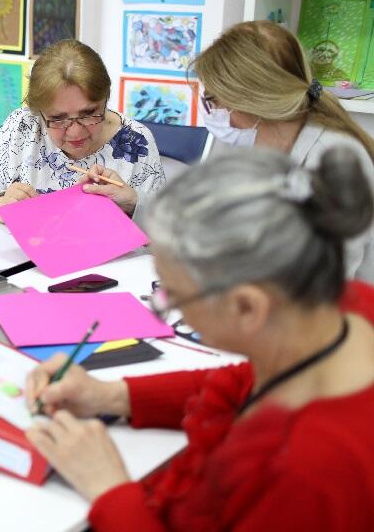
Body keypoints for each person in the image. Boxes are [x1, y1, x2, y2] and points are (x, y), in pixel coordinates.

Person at [24, 147, 374, 530]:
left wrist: (108, 487)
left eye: (172, 294)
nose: (168, 306)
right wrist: (110, 395)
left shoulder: (303, 473)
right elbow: (251, 382)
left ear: (247, 307)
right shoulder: (345, 308)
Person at [194, 19, 374, 281]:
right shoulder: (258, 138)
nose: (215, 112)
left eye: (214, 99)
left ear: (248, 100)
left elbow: (316, 285)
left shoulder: (333, 163)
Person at [0, 39, 165, 222]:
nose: (75, 132)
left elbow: (171, 238)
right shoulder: (23, 126)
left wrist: (134, 206)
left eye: (89, 113)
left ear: (106, 99)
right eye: (57, 118)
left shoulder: (137, 142)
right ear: (39, 112)